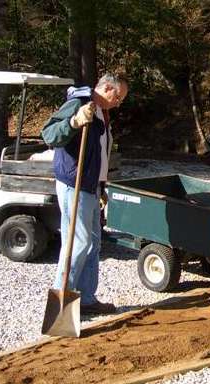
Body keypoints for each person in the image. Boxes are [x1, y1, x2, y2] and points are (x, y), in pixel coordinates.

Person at [41, 73, 128, 315]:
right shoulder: (79, 102)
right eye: (118, 96)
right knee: (77, 243)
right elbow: (48, 134)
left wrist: (101, 186)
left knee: (93, 242)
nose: (119, 102)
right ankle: (61, 305)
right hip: (73, 184)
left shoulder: (102, 112)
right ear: (107, 88)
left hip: (90, 186)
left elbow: (99, 152)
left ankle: (87, 299)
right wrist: (73, 123)